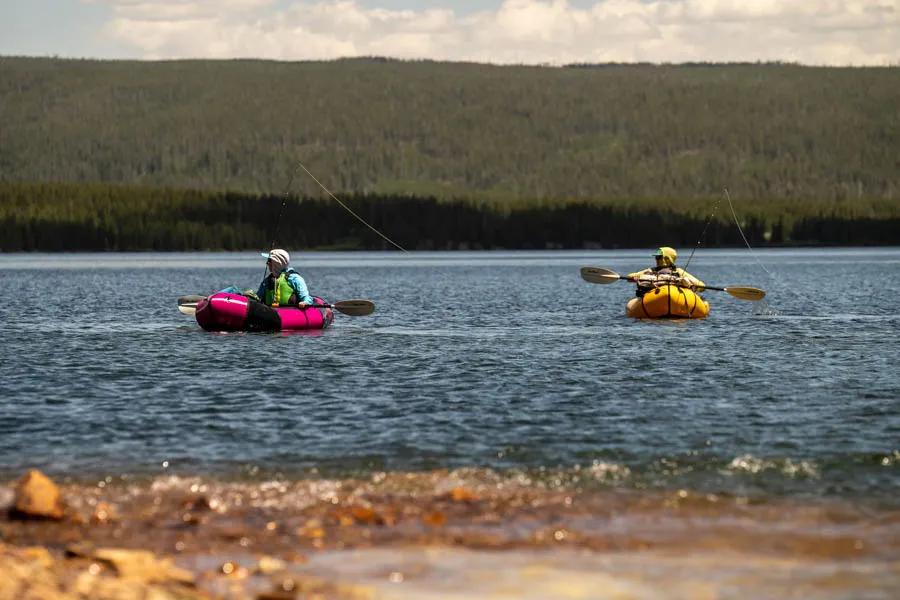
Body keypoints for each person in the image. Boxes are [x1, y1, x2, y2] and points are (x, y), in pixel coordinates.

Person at [626, 247, 705, 296]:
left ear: (667, 258)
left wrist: (694, 287)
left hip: (677, 295)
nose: (656, 259)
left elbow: (702, 286)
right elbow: (629, 276)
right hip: (655, 295)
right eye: (656, 257)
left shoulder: (679, 272)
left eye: (658, 257)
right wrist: (635, 277)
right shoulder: (650, 271)